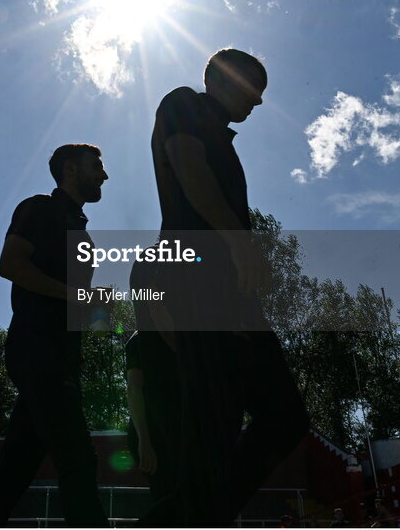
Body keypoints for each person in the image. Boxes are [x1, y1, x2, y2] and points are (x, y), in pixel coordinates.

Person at [148, 48, 310, 526]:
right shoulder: (183, 104)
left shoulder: (223, 137)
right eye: (254, 90)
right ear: (224, 80)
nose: (259, 103)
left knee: (277, 419)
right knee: (218, 427)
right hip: (197, 277)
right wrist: (239, 242)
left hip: (225, 287)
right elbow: (186, 165)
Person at [0, 144, 109, 528]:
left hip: (61, 357)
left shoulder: (84, 236)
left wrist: (97, 310)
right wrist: (75, 295)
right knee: (77, 458)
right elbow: (9, 264)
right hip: (36, 351)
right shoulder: (38, 209)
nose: (104, 175)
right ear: (69, 169)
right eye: (97, 166)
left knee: (14, 471)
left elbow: (75, 305)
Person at [124, 257, 181, 526]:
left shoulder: (178, 335)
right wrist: (144, 440)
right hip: (155, 433)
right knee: (170, 500)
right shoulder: (140, 341)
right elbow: (134, 391)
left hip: (172, 429)